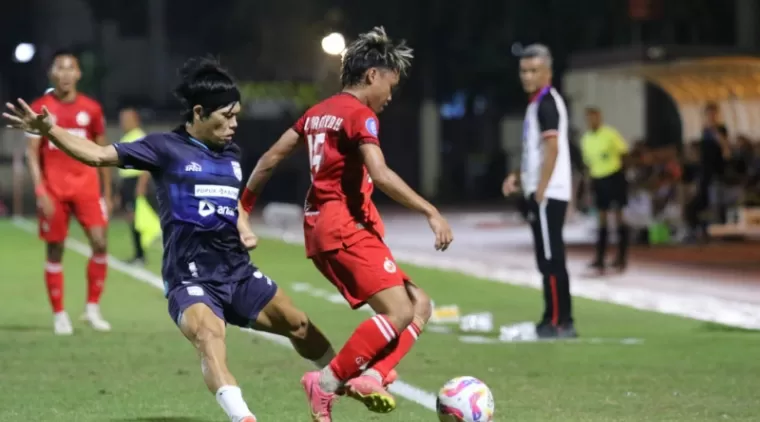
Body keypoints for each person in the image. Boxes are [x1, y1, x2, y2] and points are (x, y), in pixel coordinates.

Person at [5, 56, 338, 422]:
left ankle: (338, 382)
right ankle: (243, 418)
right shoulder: (165, 148)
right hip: (191, 278)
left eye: (237, 115)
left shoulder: (232, 154)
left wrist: (242, 223)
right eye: (226, 116)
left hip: (237, 272)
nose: (234, 124)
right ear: (199, 112)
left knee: (301, 326)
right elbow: (99, 154)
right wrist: (51, 129)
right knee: (211, 339)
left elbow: (230, 202)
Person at [239, 27, 453, 421]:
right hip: (344, 227)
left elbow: (269, 158)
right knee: (398, 312)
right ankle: (325, 383)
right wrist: (430, 210)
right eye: (391, 83)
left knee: (418, 302)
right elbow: (381, 174)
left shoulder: (317, 112)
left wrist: (244, 207)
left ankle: (375, 373)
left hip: (323, 229)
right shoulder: (360, 115)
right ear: (373, 75)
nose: (391, 95)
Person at [25, 50, 112, 335]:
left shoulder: (92, 109)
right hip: (54, 189)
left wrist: (107, 192)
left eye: (70, 68)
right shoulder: (40, 107)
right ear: (52, 74)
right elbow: (32, 153)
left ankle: (92, 308)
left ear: (78, 74)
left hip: (87, 188)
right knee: (55, 249)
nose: (65, 74)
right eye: (59, 68)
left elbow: (103, 151)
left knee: (100, 243)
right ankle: (59, 314)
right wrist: (40, 190)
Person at [502, 44, 576, 338]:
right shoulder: (537, 104)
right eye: (523, 71)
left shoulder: (547, 103)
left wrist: (541, 190)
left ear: (548, 72)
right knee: (547, 257)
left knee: (551, 258)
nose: (527, 76)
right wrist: (518, 177)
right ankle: (553, 317)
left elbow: (553, 148)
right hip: (542, 190)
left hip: (548, 193)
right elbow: (534, 153)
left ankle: (559, 321)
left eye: (534, 70)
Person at [580, 107, 630, 272]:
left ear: (600, 118)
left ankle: (621, 258)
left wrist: (622, 175)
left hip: (614, 176)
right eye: (589, 118)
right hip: (598, 180)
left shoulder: (610, 134)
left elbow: (624, 153)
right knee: (601, 218)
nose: (592, 121)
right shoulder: (585, 139)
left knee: (618, 217)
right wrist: (588, 184)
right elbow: (588, 164)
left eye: (595, 117)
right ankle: (600, 258)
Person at [116, 107, 151, 265]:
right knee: (131, 218)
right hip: (127, 183)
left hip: (135, 182)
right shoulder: (127, 137)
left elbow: (147, 164)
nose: (122, 123)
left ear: (135, 120)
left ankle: (140, 255)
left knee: (137, 219)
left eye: (125, 119)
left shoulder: (139, 137)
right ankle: (138, 254)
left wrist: (141, 185)